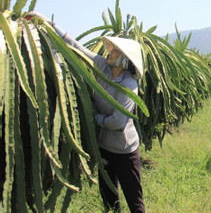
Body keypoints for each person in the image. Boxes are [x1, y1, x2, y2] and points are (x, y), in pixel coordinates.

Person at [26, 12, 146, 213]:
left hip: (125, 150)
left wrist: (92, 117)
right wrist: (49, 24)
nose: (110, 51)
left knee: (134, 199)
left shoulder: (129, 85)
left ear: (124, 59)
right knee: (108, 196)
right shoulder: (102, 67)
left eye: (114, 50)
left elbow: (117, 122)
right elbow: (76, 48)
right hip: (104, 148)